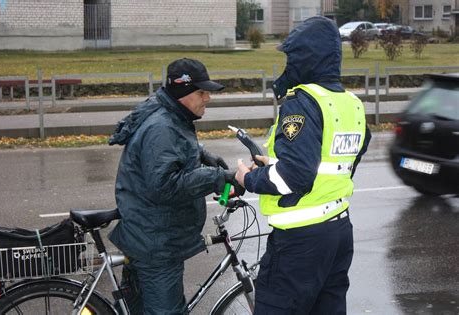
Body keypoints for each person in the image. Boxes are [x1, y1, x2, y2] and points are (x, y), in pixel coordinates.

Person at [235, 16, 371, 314]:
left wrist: (250, 179)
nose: (288, 65)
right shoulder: (350, 102)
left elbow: (296, 176)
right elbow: (339, 161)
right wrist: (276, 162)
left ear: (307, 57)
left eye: (292, 57)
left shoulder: (302, 101)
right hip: (337, 233)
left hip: (300, 241)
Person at [108, 58, 242, 314]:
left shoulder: (170, 115)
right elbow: (165, 185)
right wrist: (219, 176)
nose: (208, 99)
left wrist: (202, 154)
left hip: (148, 235)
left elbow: (171, 151)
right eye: (202, 92)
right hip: (156, 245)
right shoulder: (162, 126)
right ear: (183, 92)